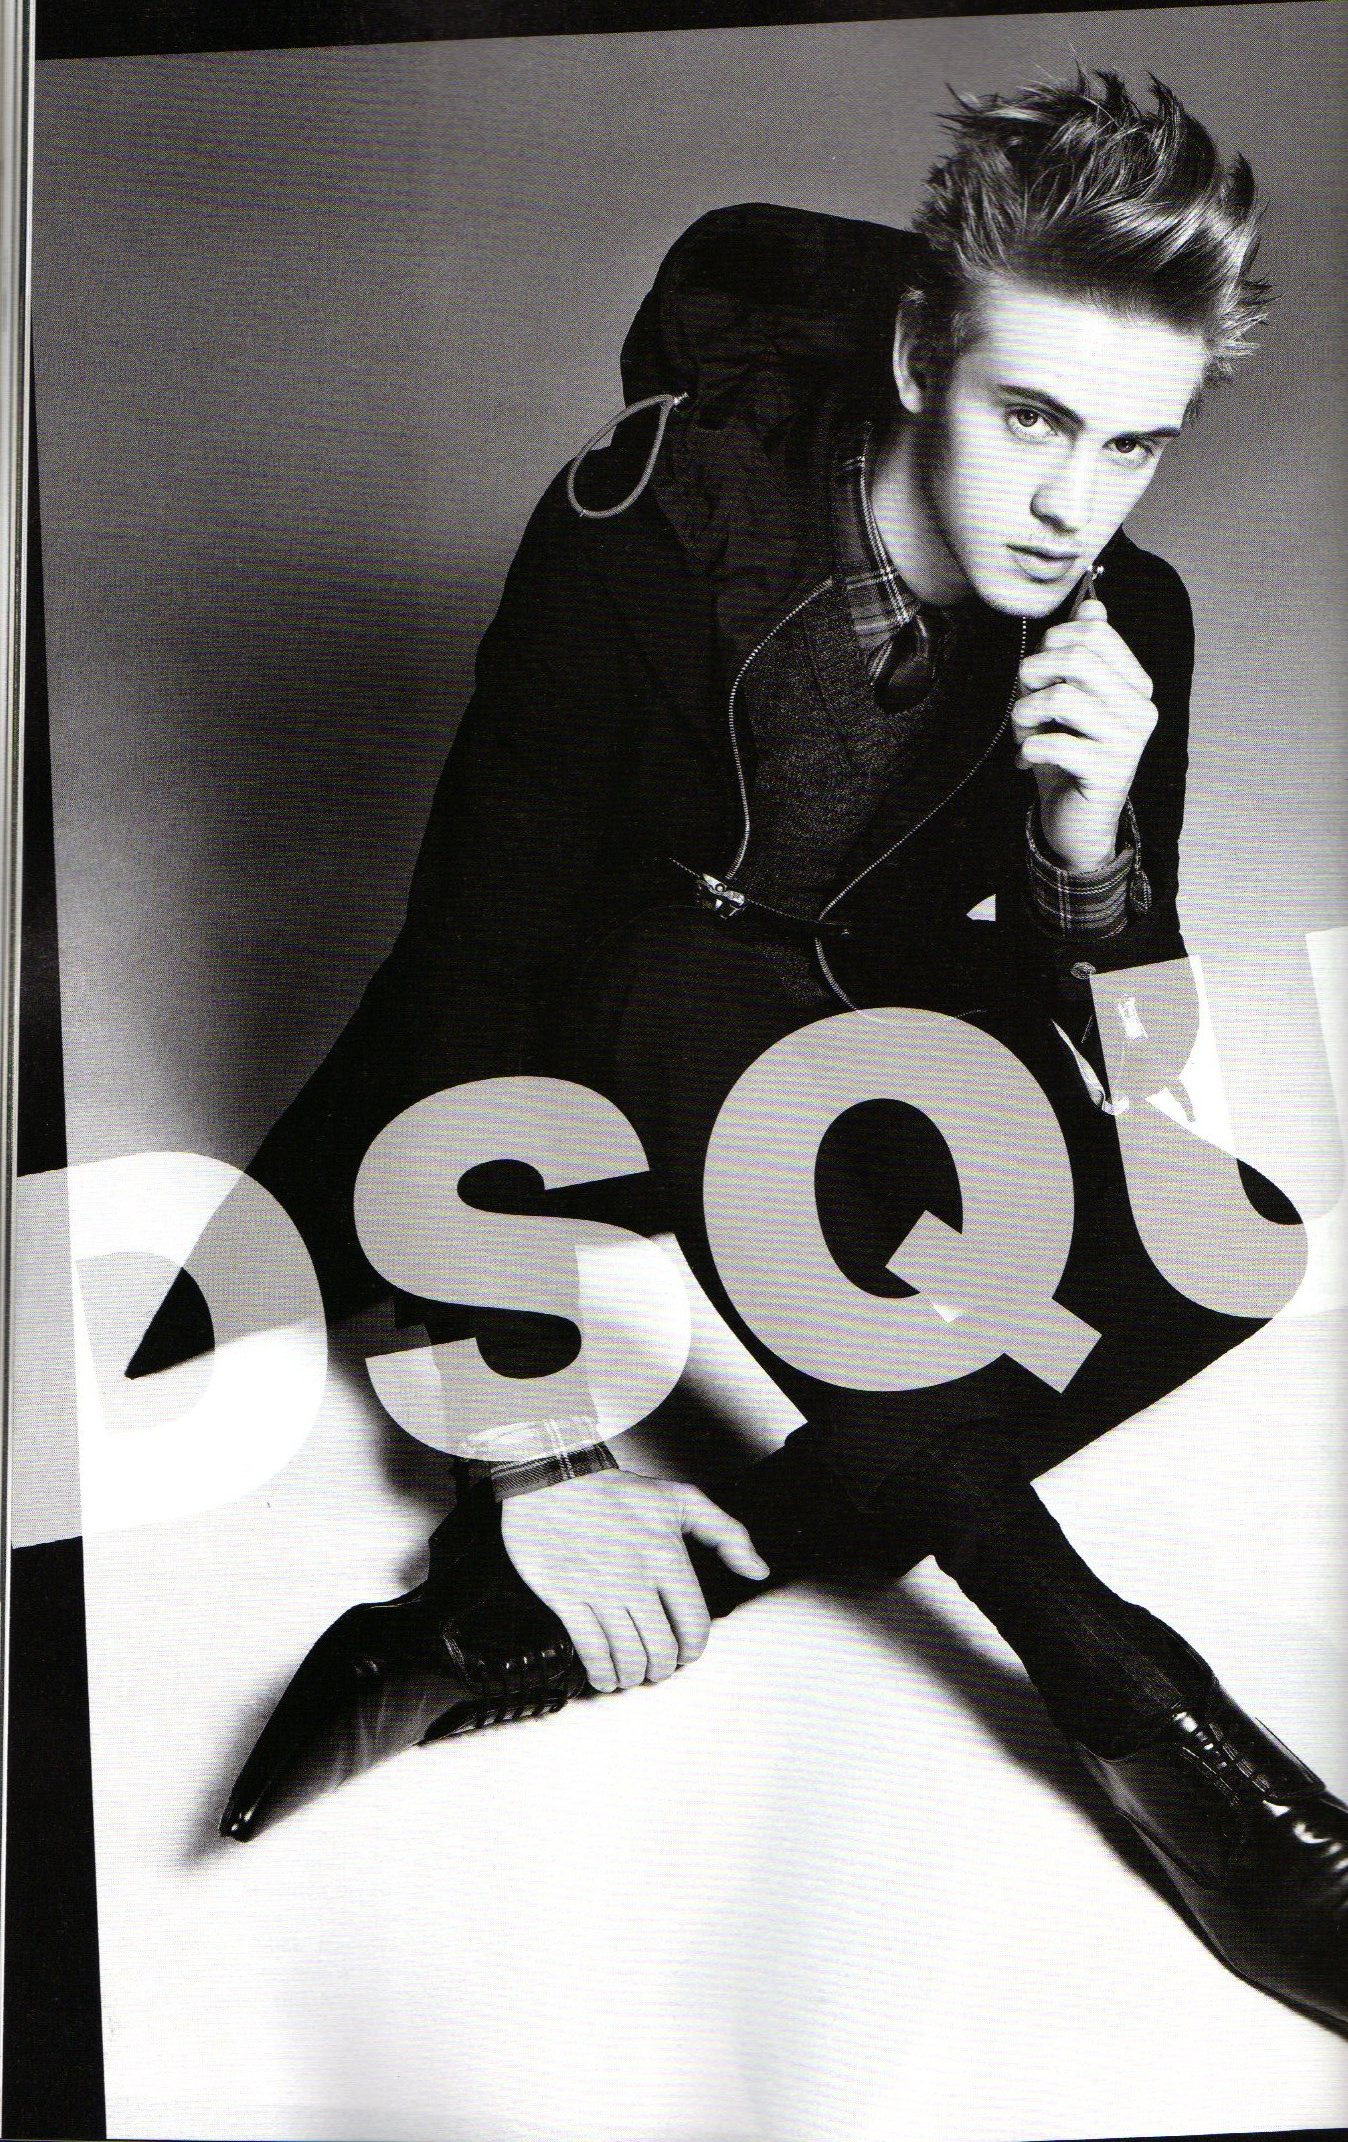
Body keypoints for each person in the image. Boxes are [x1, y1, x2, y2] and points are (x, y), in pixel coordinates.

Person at [139, 73, 1346, 2026]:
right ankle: (1135, 1706)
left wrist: (1085, 843)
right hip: (573, 1068)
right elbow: (467, 971)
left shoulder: (1131, 617)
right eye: (1032, 418)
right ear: (919, 353)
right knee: (680, 974)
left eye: (1133, 443)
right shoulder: (640, 533)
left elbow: (1142, 1073)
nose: (1074, 503)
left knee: (1233, 1240)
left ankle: (490, 1641)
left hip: (834, 1075)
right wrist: (535, 1443)